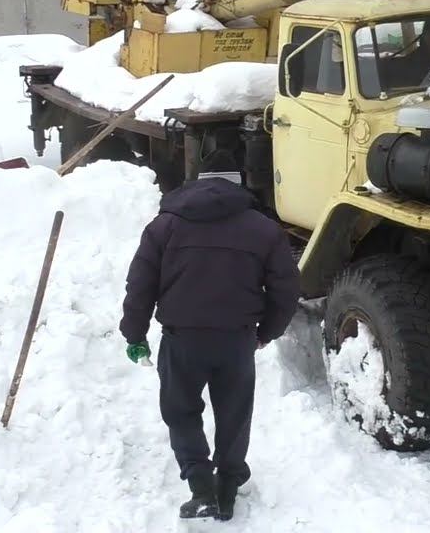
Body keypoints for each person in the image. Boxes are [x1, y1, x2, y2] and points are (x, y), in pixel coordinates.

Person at [120, 176, 302, 522]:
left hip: (181, 339)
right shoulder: (262, 229)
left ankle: (201, 487)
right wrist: (268, 331)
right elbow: (286, 287)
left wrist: (135, 333)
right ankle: (228, 487)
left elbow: (140, 284)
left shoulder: (165, 227)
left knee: (181, 411)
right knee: (234, 414)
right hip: (236, 340)